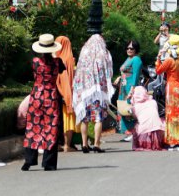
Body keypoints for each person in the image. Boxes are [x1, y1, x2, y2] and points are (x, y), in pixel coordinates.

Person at [22, 34, 63, 171]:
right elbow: (63, 71)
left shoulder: (34, 62)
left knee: (33, 127)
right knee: (51, 129)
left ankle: (29, 160)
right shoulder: (58, 62)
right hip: (51, 96)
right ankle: (48, 163)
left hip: (37, 96)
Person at [72, 33, 113, 154]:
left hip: (84, 93)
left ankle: (84, 144)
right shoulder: (103, 54)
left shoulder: (84, 53)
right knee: (98, 119)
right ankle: (96, 144)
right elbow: (108, 72)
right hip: (98, 93)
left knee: (85, 119)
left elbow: (78, 71)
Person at [155, 34, 179, 150]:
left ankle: (178, 142)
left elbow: (158, 71)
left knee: (174, 116)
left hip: (173, 90)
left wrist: (158, 58)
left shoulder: (170, 60)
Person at [115, 40, 143, 141]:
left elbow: (135, 75)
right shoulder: (128, 59)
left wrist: (132, 90)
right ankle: (128, 132)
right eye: (128, 48)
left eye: (132, 48)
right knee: (124, 109)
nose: (129, 50)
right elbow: (125, 71)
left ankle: (133, 132)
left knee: (130, 109)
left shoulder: (136, 59)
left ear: (136, 49)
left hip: (130, 87)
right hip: (124, 87)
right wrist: (119, 77)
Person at [55, 36, 77, 152]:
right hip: (66, 93)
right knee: (68, 119)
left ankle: (59, 144)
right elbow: (68, 79)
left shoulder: (56, 58)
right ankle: (67, 145)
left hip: (56, 92)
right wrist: (68, 95)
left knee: (58, 119)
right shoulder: (69, 58)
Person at [128, 85, 165, 151]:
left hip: (144, 134)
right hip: (157, 131)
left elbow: (135, 118)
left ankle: (142, 144)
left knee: (137, 126)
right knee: (162, 121)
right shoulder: (153, 102)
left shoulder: (135, 107)